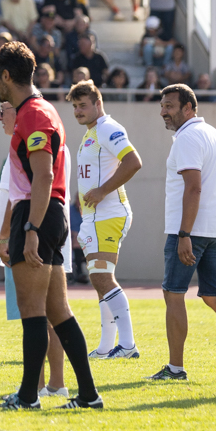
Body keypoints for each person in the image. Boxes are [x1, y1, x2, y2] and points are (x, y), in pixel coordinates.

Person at [0, 41, 102, 409]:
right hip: (47, 212)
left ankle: (27, 397)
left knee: (32, 310)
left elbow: (43, 176)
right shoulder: (37, 111)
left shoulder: (34, 114)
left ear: (7, 76)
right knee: (58, 310)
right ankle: (87, 395)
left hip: (38, 213)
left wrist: (32, 230)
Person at [149, 84, 216, 382]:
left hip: (190, 231)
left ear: (188, 107)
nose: (163, 112)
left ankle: (175, 368)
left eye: (169, 105)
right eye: (162, 105)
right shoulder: (213, 134)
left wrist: (184, 233)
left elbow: (193, 187)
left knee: (173, 293)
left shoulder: (188, 137)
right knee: (214, 295)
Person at [66, 81, 144, 360]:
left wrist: (102, 191)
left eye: (83, 105)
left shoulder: (108, 128)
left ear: (98, 103)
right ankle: (105, 346)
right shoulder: (93, 131)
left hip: (108, 215)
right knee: (100, 279)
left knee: (100, 277)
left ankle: (128, 345)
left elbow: (133, 161)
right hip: (95, 216)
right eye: (74, 106)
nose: (78, 111)